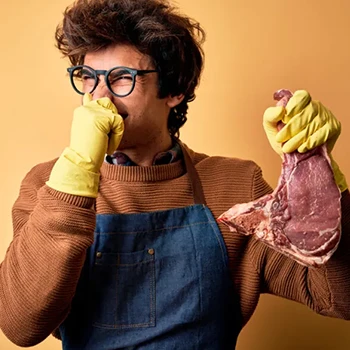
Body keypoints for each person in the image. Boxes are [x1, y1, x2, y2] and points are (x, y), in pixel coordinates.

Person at [0, 0, 349, 348]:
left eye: (121, 78)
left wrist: (316, 173)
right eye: (88, 78)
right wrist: (76, 172)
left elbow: (338, 299)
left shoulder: (236, 183)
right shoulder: (48, 185)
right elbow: (20, 326)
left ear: (175, 89)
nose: (98, 96)